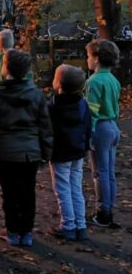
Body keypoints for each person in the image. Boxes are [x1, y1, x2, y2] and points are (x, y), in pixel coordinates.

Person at [0, 49, 53, 247]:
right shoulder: (37, 96)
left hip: (5, 151)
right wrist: (46, 152)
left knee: (9, 192)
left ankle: (12, 230)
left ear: (5, 68)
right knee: (28, 192)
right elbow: (45, 127)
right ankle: (26, 232)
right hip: (29, 152)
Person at [48, 64, 91, 241]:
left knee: (63, 188)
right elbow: (88, 128)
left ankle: (67, 225)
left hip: (60, 152)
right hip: (77, 151)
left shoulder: (53, 106)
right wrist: (86, 147)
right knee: (76, 187)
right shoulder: (82, 105)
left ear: (58, 84)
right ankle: (80, 225)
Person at [85, 40, 122, 229]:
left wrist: (88, 133)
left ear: (96, 59)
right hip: (113, 126)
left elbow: (91, 111)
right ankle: (109, 207)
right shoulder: (113, 80)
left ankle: (102, 212)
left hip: (99, 127)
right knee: (109, 172)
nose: (88, 60)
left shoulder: (93, 81)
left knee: (99, 172)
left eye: (89, 56)